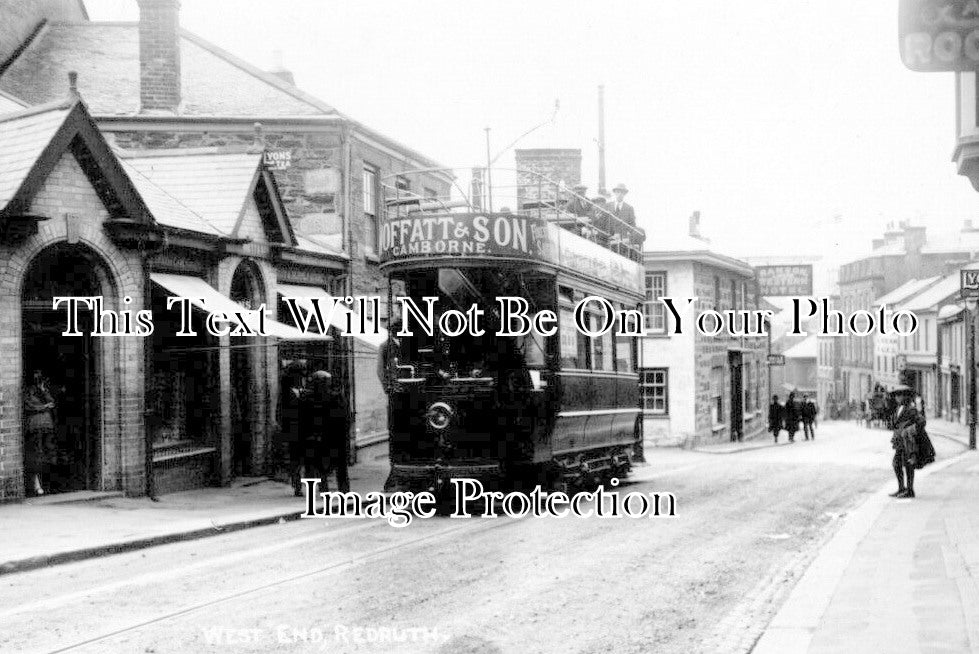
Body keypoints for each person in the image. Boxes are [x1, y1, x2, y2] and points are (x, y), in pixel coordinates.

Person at [302, 370, 350, 493]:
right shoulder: (334, 397)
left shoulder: (316, 399)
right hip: (329, 437)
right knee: (330, 466)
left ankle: (334, 490)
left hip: (331, 437)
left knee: (330, 466)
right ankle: (340, 490)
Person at [24, 370, 57, 496]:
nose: (38, 378)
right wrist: (44, 407)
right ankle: (36, 485)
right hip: (34, 426)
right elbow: (28, 406)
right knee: (36, 454)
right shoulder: (28, 391)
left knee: (48, 452)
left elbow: (52, 402)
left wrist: (44, 390)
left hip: (47, 426)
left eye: (40, 376)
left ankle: (47, 483)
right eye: (36, 376)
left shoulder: (44, 390)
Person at [279, 361, 307, 497]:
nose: (301, 378)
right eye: (299, 376)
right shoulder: (286, 394)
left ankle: (305, 484)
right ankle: (297, 486)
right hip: (293, 431)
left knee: (304, 459)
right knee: (295, 459)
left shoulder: (303, 391)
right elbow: (282, 413)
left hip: (305, 430)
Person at [890, 393, 921, 499]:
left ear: (905, 397)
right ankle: (901, 488)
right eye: (896, 396)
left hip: (907, 442)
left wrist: (909, 429)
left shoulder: (911, 409)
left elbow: (921, 422)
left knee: (908, 465)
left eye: (899, 396)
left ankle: (910, 490)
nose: (896, 398)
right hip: (899, 442)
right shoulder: (898, 408)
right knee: (896, 464)